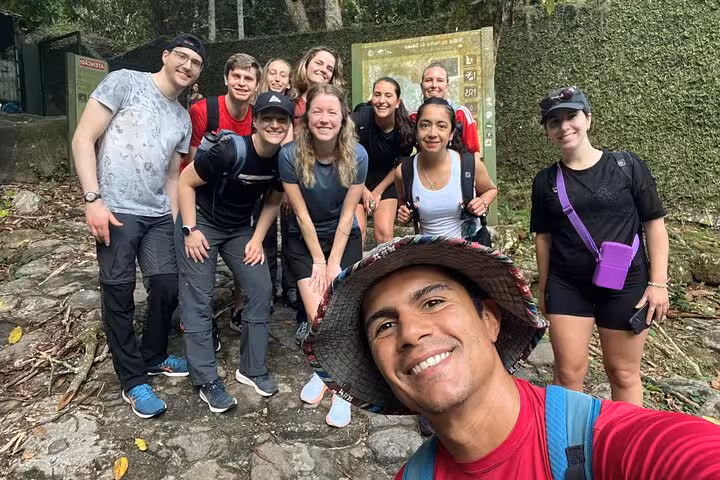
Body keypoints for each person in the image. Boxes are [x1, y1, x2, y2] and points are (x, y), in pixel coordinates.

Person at [303, 235, 720, 479]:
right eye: (385, 326)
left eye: (432, 302)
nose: (411, 332)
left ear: (490, 320)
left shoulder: (603, 443)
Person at [71, 34, 205, 418]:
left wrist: (177, 224)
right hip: (114, 208)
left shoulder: (182, 117)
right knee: (117, 291)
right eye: (182, 56)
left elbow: (172, 176)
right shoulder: (125, 82)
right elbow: (84, 137)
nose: (187, 66)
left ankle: (154, 355)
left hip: (157, 213)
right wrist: (92, 199)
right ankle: (132, 380)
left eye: (195, 63)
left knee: (165, 284)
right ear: (165, 56)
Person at [531, 87, 670, 406]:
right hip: (568, 284)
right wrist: (544, 289)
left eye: (571, 116)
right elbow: (544, 237)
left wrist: (658, 283)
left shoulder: (627, 166)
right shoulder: (545, 181)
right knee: (568, 373)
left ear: (588, 118)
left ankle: (626, 448)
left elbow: (654, 223)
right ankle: (567, 448)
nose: (564, 126)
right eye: (554, 122)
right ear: (548, 132)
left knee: (623, 373)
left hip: (626, 283)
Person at [176, 92, 295, 411]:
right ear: (254, 121)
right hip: (200, 221)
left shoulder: (283, 161)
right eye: (267, 118)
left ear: (288, 126)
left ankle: (252, 368)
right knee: (199, 296)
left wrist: (257, 239)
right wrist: (190, 230)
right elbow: (185, 183)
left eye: (281, 119)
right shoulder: (230, 150)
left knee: (260, 288)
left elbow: (272, 200)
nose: (273, 124)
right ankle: (205, 379)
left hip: (239, 229)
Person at [279, 84, 367, 428]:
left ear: (343, 118)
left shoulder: (358, 155)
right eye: (317, 111)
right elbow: (300, 215)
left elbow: (348, 216)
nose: (324, 118)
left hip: (344, 239)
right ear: (306, 116)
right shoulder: (289, 155)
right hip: (304, 239)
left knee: (343, 312)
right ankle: (328, 374)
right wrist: (318, 259)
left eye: (332, 112)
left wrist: (334, 263)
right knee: (320, 316)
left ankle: (340, 388)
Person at [187, 53, 263, 343]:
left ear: (256, 85)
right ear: (226, 79)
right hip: (205, 196)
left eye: (248, 78)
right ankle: (202, 325)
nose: (242, 83)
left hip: (243, 198)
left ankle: (239, 309)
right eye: (237, 76)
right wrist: (190, 220)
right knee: (199, 269)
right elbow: (191, 160)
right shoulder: (204, 110)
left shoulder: (258, 117)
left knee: (248, 262)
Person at [285, 46, 344, 332]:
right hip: (294, 182)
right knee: (298, 244)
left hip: (328, 188)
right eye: (318, 63)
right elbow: (285, 145)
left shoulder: (338, 106)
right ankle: (301, 310)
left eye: (329, 67)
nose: (323, 69)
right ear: (306, 64)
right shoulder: (290, 103)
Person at [395, 97, 497, 240]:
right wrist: (403, 211)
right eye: (425, 125)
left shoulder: (468, 165)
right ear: (416, 131)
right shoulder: (404, 171)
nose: (432, 133)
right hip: (430, 254)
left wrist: (483, 203)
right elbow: (402, 200)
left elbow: (490, 190)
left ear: (451, 134)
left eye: (441, 126)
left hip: (471, 253)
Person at [352, 77, 415, 248]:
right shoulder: (359, 119)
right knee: (358, 232)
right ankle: (356, 274)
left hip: (387, 180)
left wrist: (378, 191)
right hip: (356, 177)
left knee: (384, 233)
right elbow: (345, 156)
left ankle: (384, 273)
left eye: (388, 96)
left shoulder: (405, 129)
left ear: (397, 102)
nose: (381, 101)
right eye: (377, 95)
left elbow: (399, 166)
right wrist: (363, 190)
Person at [409, 62, 480, 155]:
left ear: (447, 86)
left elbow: (474, 153)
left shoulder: (461, 114)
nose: (434, 85)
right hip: (424, 168)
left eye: (440, 80)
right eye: (429, 80)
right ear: (422, 86)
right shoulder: (413, 117)